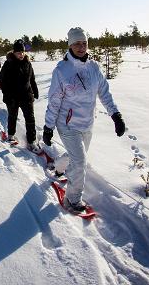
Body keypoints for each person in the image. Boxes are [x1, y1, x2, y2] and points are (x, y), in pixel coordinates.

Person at [42, 27, 125, 212]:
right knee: (80, 163)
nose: (81, 47)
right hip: (67, 124)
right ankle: (72, 199)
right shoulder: (62, 70)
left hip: (87, 123)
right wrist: (48, 127)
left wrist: (115, 115)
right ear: (70, 45)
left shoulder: (94, 67)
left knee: (77, 157)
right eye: (77, 43)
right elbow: (54, 101)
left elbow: (104, 92)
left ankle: (58, 167)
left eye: (84, 43)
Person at [0, 39, 39, 150]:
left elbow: (32, 79)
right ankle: (11, 136)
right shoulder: (8, 64)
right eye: (18, 52)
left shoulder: (28, 63)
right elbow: (2, 81)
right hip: (12, 97)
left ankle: (31, 141)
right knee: (12, 117)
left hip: (26, 96)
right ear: (14, 53)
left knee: (30, 119)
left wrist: (35, 91)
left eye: (22, 52)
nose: (21, 54)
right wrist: (7, 95)